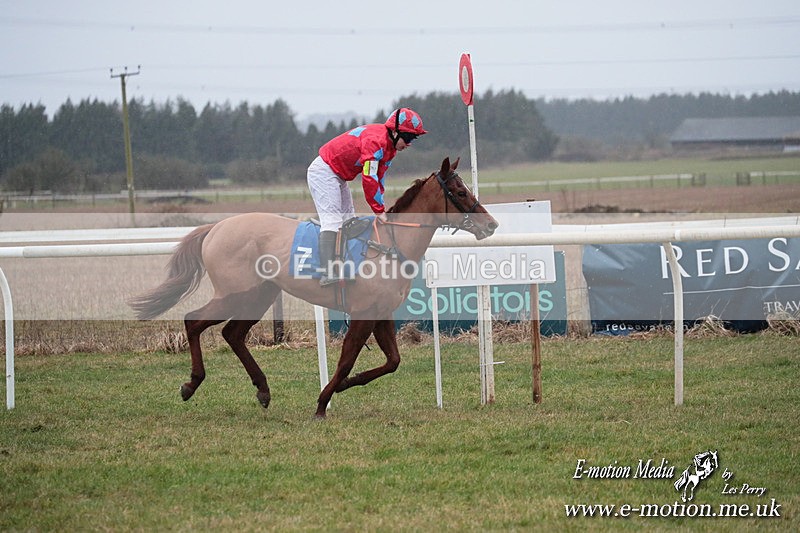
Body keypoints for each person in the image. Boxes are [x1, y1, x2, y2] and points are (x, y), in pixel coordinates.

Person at [306, 107, 427, 285]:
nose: (408, 144)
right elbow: (369, 179)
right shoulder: (375, 142)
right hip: (324, 172)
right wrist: (379, 210)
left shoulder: (390, 148)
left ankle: (343, 266)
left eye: (413, 139)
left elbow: (380, 178)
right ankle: (326, 272)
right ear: (394, 131)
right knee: (332, 221)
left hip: (338, 175)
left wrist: (381, 206)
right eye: (407, 137)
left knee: (348, 220)